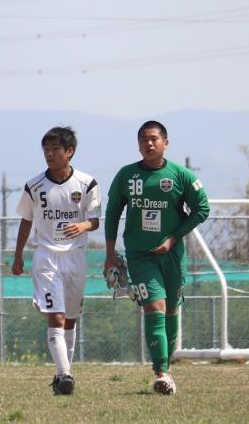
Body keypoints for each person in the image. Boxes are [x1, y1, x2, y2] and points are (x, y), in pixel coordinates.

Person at [104, 120, 210, 395]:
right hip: (140, 256)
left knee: (171, 309)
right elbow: (112, 213)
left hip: (172, 255)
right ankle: (161, 372)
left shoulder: (180, 175)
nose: (148, 144)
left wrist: (173, 238)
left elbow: (202, 208)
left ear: (165, 142)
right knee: (155, 307)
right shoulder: (127, 176)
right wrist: (109, 255)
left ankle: (167, 366)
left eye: (153, 139)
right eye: (143, 140)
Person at [11, 126, 100, 395]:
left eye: (55, 149)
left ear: (69, 152)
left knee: (70, 319)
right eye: (46, 150)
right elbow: (26, 221)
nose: (49, 154)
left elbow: (95, 220)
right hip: (47, 257)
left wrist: (82, 226)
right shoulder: (34, 186)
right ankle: (64, 374)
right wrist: (18, 255)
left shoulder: (87, 183)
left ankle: (63, 374)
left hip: (76, 257)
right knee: (56, 316)